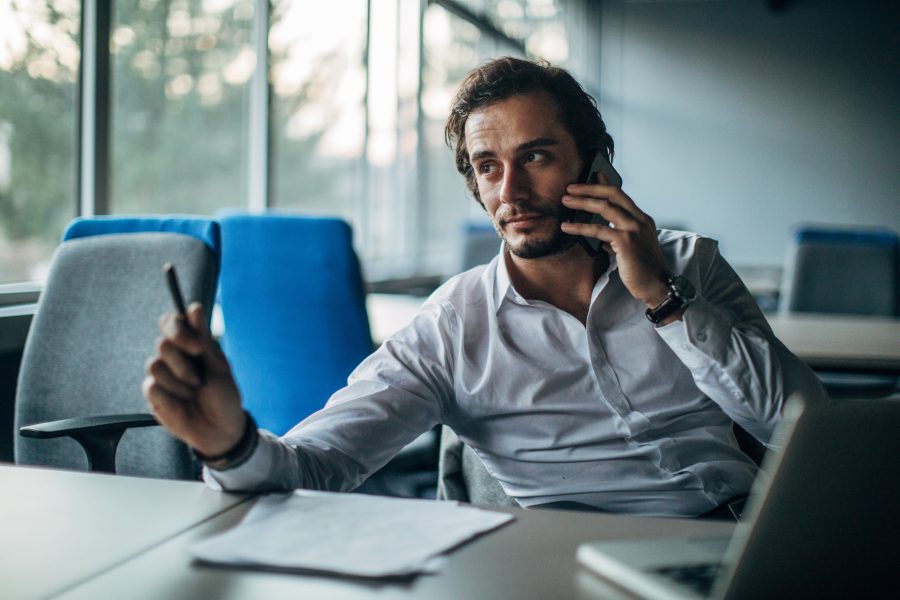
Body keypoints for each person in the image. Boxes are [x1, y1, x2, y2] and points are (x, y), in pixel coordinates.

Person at [143, 57, 826, 517]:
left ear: (596, 163)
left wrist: (664, 301)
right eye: (488, 167)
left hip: (733, 541)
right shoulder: (451, 326)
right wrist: (228, 445)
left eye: (535, 156)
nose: (512, 192)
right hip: (555, 568)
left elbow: (804, 430)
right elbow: (318, 465)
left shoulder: (691, 264)